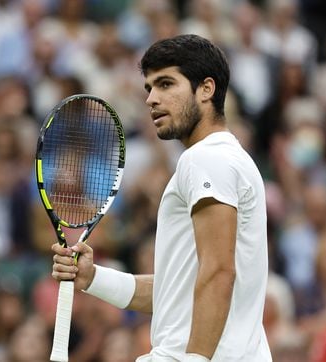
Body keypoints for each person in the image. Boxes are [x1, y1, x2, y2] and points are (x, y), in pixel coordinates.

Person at [51, 34, 271, 361]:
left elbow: (219, 272)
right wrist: (93, 278)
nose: (152, 98)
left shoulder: (205, 159)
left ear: (206, 89)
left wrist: (195, 359)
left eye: (166, 84)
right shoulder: (227, 158)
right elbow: (177, 291)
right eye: (149, 88)